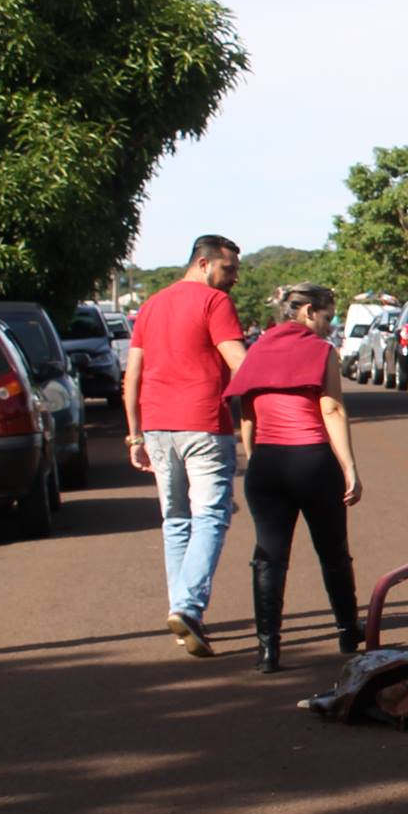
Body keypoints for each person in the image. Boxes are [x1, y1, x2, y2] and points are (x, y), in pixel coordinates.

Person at [224, 283, 364, 673]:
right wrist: (349, 465)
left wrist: (255, 460)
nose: (330, 325)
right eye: (327, 316)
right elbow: (332, 408)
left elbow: (247, 413)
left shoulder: (257, 351)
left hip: (267, 462)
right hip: (313, 461)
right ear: (305, 312)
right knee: (332, 550)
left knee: (269, 556)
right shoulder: (321, 352)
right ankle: (349, 631)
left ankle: (268, 649)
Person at [124, 234, 246, 657]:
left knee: (176, 519)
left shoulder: (152, 305)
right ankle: (189, 607)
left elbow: (133, 373)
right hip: (204, 424)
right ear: (203, 263)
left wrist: (134, 432)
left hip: (157, 426)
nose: (233, 278)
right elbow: (239, 363)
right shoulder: (214, 303)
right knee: (211, 514)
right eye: (228, 269)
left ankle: (182, 613)